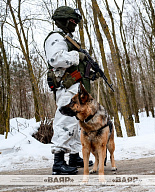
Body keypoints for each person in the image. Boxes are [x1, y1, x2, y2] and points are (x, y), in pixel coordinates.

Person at [44, 6, 93, 175]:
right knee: (65, 122)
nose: (75, 25)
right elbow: (55, 58)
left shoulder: (68, 39)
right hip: (66, 88)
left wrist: (89, 72)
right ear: (64, 21)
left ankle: (74, 157)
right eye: (73, 22)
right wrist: (76, 56)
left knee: (76, 123)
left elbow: (75, 64)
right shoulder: (56, 38)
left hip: (75, 88)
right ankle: (58, 162)